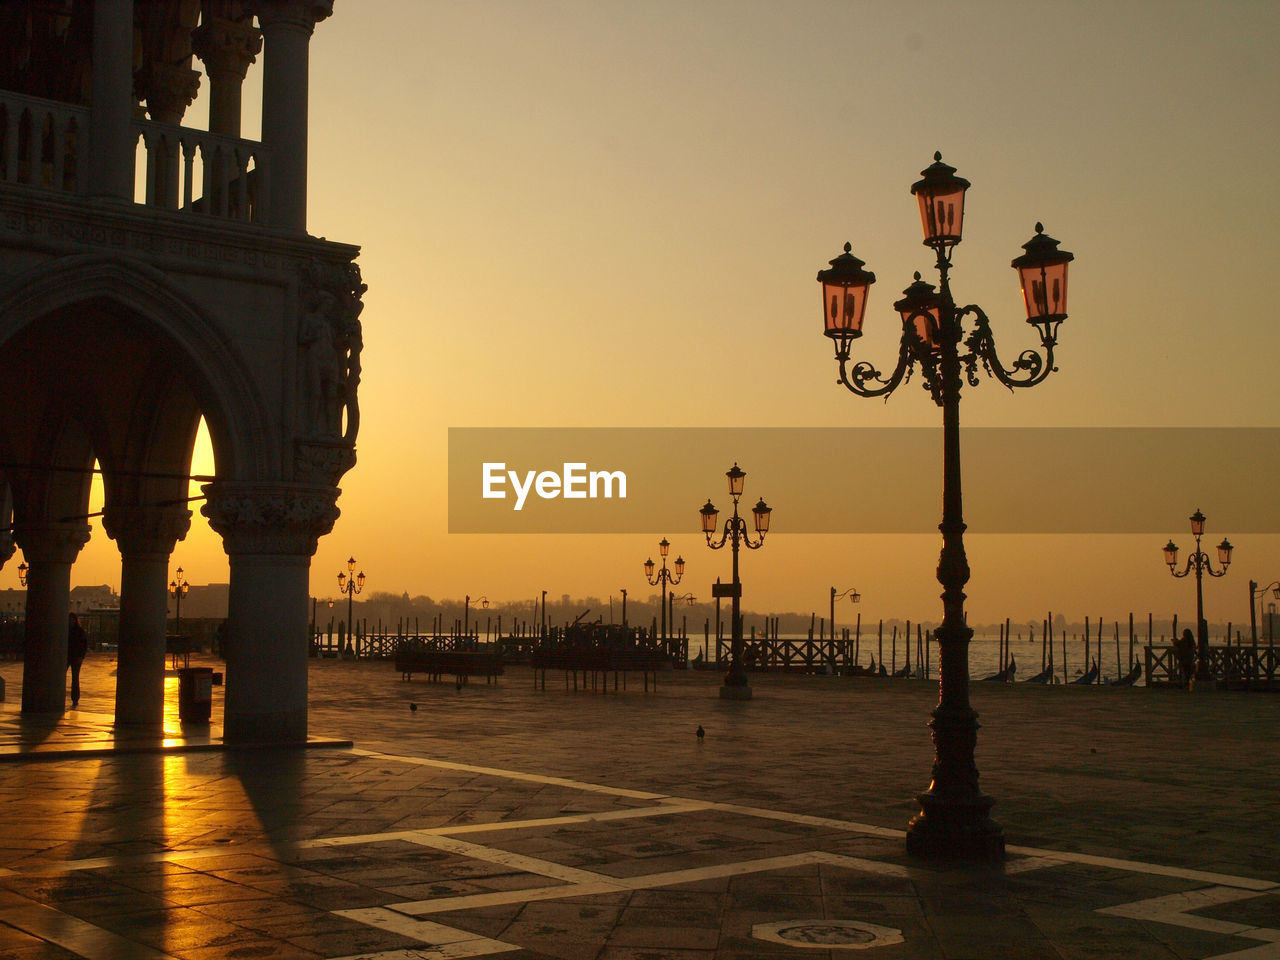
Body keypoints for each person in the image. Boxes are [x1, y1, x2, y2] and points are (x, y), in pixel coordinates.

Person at [67, 612, 88, 707]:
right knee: (75, 678)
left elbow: (84, 645)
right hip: (71, 656)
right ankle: (75, 698)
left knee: (75, 678)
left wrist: (81, 656)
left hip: (74, 657)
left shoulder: (76, 631)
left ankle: (75, 698)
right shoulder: (79, 631)